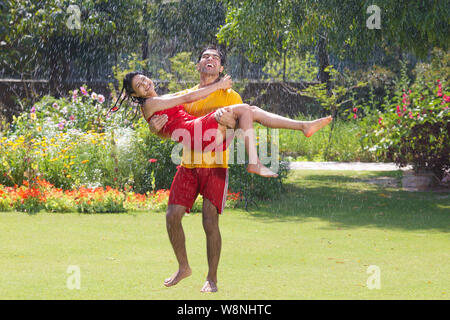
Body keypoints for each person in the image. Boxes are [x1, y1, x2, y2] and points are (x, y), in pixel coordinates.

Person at [115, 72, 332, 177]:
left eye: (143, 79)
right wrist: (219, 85)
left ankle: (303, 126)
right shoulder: (151, 103)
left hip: (199, 136)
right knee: (246, 110)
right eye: (139, 86)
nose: (145, 84)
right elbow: (187, 98)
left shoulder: (157, 102)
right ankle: (255, 162)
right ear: (135, 94)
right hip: (197, 133)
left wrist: (156, 131)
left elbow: (168, 129)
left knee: (250, 111)